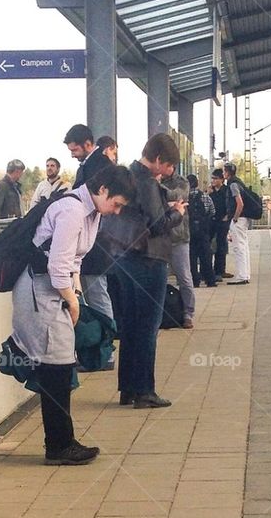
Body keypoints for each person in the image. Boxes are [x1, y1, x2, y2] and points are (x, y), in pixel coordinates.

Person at [11, 164, 134, 463]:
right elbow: (57, 267)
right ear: (102, 189)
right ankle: (58, 445)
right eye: (116, 204)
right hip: (39, 288)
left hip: (51, 288)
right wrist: (74, 301)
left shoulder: (89, 213)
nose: (116, 211)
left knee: (60, 362)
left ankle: (61, 442)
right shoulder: (72, 211)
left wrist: (73, 294)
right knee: (57, 363)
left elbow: (73, 261)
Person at [108, 134, 186, 408]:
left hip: (123, 259)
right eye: (169, 165)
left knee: (129, 325)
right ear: (156, 160)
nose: (170, 171)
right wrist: (177, 212)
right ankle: (145, 392)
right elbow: (156, 225)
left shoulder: (127, 175)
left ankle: (128, 388)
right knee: (148, 327)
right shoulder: (147, 182)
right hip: (148, 260)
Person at [64, 125, 114, 324]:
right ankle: (100, 345)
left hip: (96, 242)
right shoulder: (91, 165)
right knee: (91, 297)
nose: (72, 155)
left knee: (97, 298)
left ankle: (106, 347)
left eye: (74, 150)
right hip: (91, 242)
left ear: (87, 144)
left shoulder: (99, 166)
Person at [163, 167, 196, 329]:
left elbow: (178, 196)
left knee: (184, 277)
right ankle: (164, 312)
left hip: (179, 237)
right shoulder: (154, 179)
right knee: (160, 277)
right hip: (159, 238)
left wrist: (161, 197)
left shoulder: (182, 182)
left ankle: (188, 313)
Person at [224, 161, 250, 284]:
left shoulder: (233, 185)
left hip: (238, 219)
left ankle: (241, 276)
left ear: (227, 172)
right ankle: (245, 274)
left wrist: (234, 218)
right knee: (243, 246)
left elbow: (240, 203)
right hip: (243, 219)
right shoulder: (239, 182)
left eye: (224, 171)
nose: (223, 173)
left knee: (238, 247)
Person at [188, 175, 217, 290]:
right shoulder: (205, 196)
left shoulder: (185, 198)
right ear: (197, 183)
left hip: (190, 232)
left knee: (192, 257)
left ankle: (195, 281)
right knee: (206, 256)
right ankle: (210, 280)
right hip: (203, 232)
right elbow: (213, 211)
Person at [210, 168, 233, 280]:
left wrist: (227, 216)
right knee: (209, 246)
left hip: (222, 221)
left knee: (221, 246)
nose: (213, 180)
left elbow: (230, 204)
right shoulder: (210, 191)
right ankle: (210, 270)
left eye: (215, 178)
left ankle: (220, 270)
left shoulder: (226, 190)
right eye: (212, 178)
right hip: (211, 221)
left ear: (222, 179)